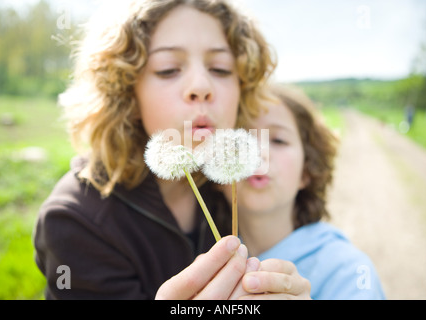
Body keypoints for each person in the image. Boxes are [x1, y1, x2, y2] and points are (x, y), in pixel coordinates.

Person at [34, 0, 310, 300]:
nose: (201, 85)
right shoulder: (74, 222)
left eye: (220, 68)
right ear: (125, 92)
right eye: (168, 70)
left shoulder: (230, 187)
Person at [222, 84, 386, 300]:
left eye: (278, 140)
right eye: (240, 140)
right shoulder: (195, 260)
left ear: (306, 172)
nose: (257, 153)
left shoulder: (348, 271)